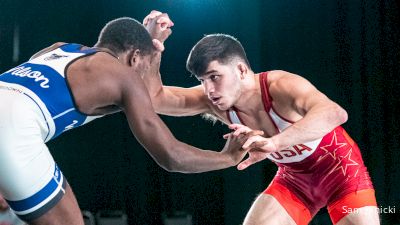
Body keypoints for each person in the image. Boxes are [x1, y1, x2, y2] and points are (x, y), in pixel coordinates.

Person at [0, 16, 261, 225]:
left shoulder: (57, 49)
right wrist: (227, 157)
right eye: (144, 67)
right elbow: (171, 156)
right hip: (12, 131)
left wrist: (153, 45)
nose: (143, 76)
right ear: (134, 58)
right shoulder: (124, 75)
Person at [142, 11, 380, 225]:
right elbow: (155, 99)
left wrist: (275, 143)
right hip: (294, 181)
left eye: (214, 77)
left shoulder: (281, 86)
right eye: (202, 81)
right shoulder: (213, 101)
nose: (209, 90)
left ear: (242, 70)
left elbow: (335, 113)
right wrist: (152, 46)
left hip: (343, 174)